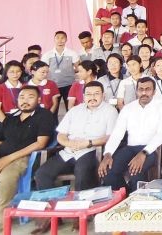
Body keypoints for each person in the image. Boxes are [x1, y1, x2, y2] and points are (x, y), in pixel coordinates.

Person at [0, 86, 55, 233]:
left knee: (6, 179)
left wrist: (8, 159)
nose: (25, 100)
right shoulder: (10, 118)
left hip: (22, 158)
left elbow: (41, 143)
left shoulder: (44, 115)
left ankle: (2, 214)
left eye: (30, 97)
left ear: (39, 99)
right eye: (22, 97)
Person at [34, 81, 117, 231]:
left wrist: (88, 143)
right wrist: (69, 143)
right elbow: (61, 135)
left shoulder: (110, 111)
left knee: (82, 172)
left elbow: (110, 136)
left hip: (91, 149)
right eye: (89, 94)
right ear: (83, 96)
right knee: (42, 174)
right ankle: (53, 213)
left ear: (103, 95)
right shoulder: (74, 110)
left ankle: (80, 212)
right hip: (68, 150)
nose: (92, 97)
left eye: (96, 94)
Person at [99, 77, 162, 192]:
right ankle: (125, 197)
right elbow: (117, 133)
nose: (144, 92)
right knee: (107, 171)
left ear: (154, 92)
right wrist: (108, 153)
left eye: (148, 89)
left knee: (135, 170)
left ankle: (138, 202)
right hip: (131, 148)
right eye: (140, 89)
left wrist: (144, 153)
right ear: (136, 91)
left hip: (154, 149)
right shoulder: (128, 108)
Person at [41, 31, 80, 111]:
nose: (60, 40)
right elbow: (43, 70)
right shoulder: (47, 54)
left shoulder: (72, 53)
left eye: (62, 38)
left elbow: (78, 68)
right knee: (52, 110)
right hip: (53, 85)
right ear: (54, 39)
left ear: (66, 40)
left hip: (69, 85)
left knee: (70, 110)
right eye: (57, 38)